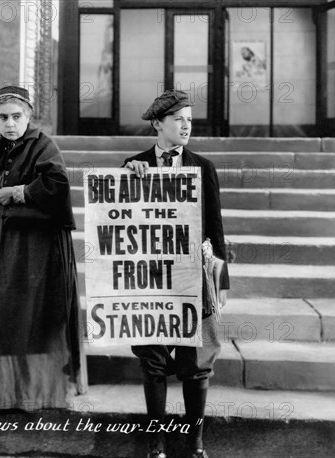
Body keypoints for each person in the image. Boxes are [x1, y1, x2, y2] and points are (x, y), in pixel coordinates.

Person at [123, 89, 230, 458]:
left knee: (195, 364)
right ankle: (156, 444)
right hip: (149, 279)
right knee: (152, 362)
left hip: (191, 279)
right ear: (157, 124)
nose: (186, 127)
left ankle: (194, 444)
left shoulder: (203, 167)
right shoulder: (133, 166)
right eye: (177, 120)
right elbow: (120, 223)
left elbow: (215, 230)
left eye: (189, 120)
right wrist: (128, 179)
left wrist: (220, 283)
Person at [0, 85, 85, 411]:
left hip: (39, 246)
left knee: (37, 314)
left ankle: (41, 389)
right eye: (2, 118)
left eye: (16, 117)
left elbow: (57, 185)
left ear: (29, 116)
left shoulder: (43, 145)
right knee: (4, 313)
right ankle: (6, 390)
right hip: (3, 244)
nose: (9, 124)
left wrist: (18, 192)